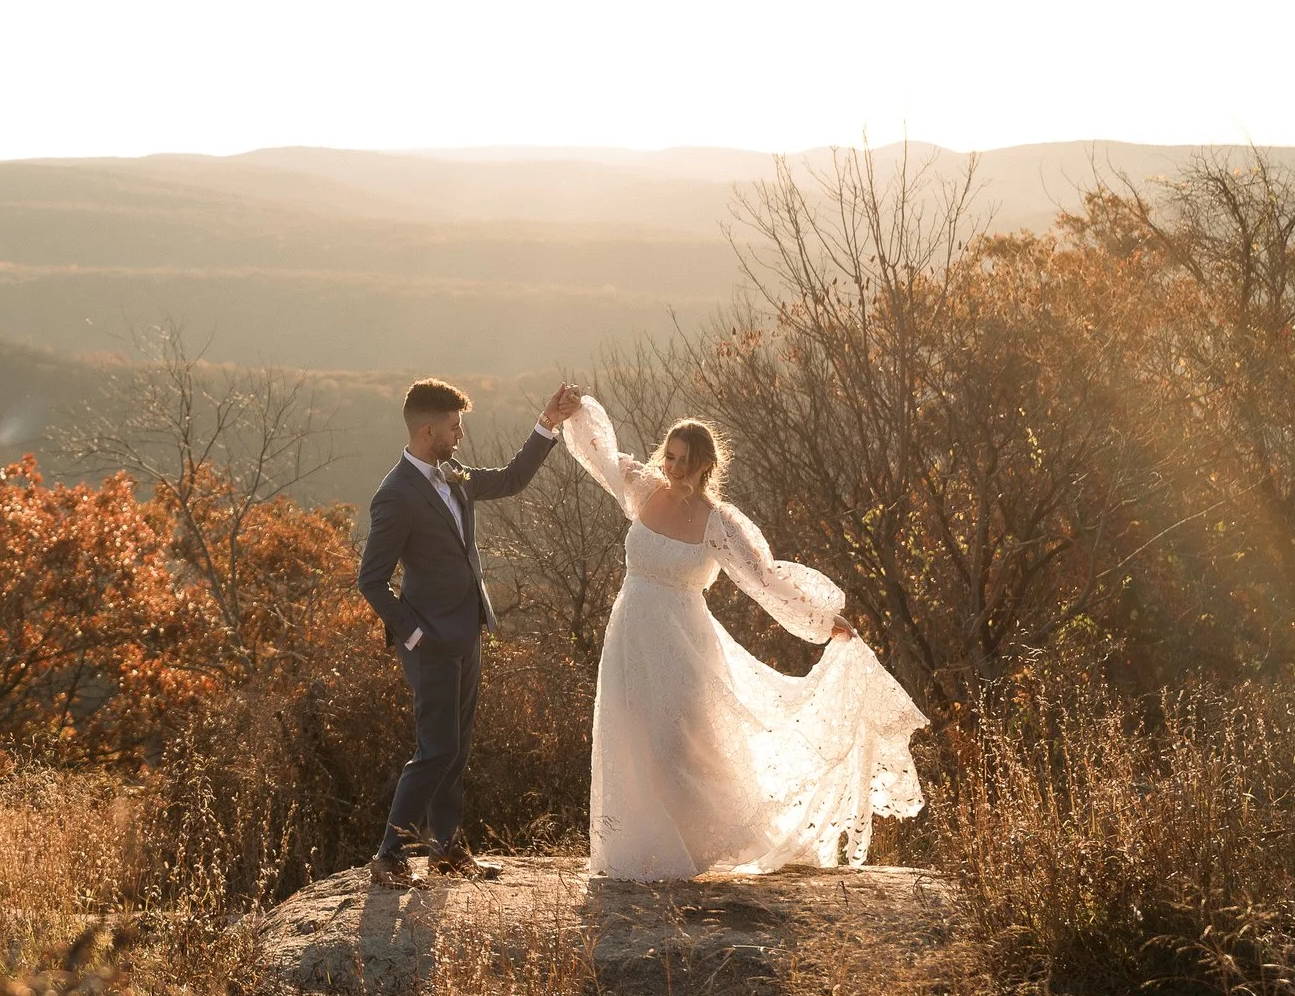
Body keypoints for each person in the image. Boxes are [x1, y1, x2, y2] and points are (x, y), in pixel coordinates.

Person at [558, 393, 927, 877]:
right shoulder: (644, 491)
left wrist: (821, 621)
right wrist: (576, 410)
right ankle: (641, 854)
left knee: (680, 745)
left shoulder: (720, 523)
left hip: (683, 642)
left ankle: (700, 847)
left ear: (705, 466)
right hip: (629, 634)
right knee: (630, 737)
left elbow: (765, 579)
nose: (671, 468)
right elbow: (602, 455)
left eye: (683, 461)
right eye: (668, 456)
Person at [358, 376, 584, 889]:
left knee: (456, 749)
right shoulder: (395, 495)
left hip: (466, 634)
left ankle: (446, 850)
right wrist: (414, 635)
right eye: (456, 427)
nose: (461, 435)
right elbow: (370, 580)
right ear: (429, 429)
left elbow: (510, 479)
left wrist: (546, 424)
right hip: (431, 643)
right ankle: (389, 856)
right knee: (435, 750)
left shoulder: (453, 473)